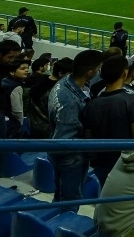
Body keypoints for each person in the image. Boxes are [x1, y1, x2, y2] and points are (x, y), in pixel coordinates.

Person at [49, 49, 106, 202]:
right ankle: (64, 223)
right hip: (70, 157)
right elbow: (66, 136)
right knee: (71, 200)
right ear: (89, 72)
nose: (100, 71)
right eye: (99, 68)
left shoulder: (63, 84)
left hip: (56, 150)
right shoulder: (72, 101)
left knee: (59, 194)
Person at [83, 54, 134, 186]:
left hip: (101, 165)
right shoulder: (132, 101)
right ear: (125, 73)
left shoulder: (91, 104)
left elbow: (88, 138)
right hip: (124, 164)